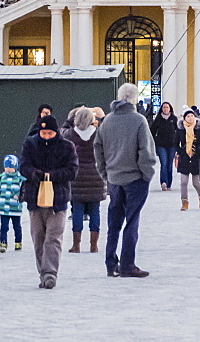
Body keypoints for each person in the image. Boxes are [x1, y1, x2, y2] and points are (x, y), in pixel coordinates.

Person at [94, 83, 156, 278]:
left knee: (114, 223)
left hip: (114, 179)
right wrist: (147, 174)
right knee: (132, 222)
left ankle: (110, 262)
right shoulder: (138, 121)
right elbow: (145, 151)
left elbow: (98, 148)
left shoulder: (107, 121)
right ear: (135, 99)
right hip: (135, 179)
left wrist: (105, 173)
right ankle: (128, 264)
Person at [20, 114, 78, 289]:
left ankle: (50, 273)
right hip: (35, 199)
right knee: (39, 238)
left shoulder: (67, 147)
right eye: (43, 133)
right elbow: (23, 166)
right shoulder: (30, 144)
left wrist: (52, 176)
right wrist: (33, 173)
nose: (45, 136)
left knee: (53, 238)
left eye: (49, 133)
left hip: (58, 200)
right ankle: (42, 272)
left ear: (56, 132)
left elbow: (72, 170)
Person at [63, 106, 106, 254]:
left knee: (77, 211)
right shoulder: (99, 134)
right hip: (96, 176)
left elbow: (62, 132)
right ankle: (94, 245)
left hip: (76, 177)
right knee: (95, 210)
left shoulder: (69, 135)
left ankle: (76, 244)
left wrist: (70, 118)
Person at [175, 107, 200, 211]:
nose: (190, 118)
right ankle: (184, 202)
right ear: (184, 118)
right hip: (184, 158)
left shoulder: (199, 129)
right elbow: (175, 143)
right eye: (188, 116)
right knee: (183, 182)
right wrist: (181, 152)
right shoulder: (180, 129)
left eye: (192, 116)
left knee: (196, 183)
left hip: (196, 158)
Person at [0, 155, 25, 252]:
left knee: (17, 227)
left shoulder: (20, 179)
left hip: (15, 208)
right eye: (6, 167)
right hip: (4, 208)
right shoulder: (1, 178)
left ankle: (18, 243)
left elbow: (24, 191)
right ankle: (3, 243)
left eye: (10, 167)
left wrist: (20, 198)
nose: (7, 169)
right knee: (4, 227)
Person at [150, 101, 178, 191]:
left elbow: (178, 132)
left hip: (172, 145)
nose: (165, 109)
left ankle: (169, 184)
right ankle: (163, 182)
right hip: (161, 145)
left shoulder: (174, 118)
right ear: (161, 109)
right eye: (164, 107)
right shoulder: (158, 119)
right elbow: (152, 132)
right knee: (164, 163)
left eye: (167, 107)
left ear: (170, 109)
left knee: (170, 165)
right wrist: (153, 142)